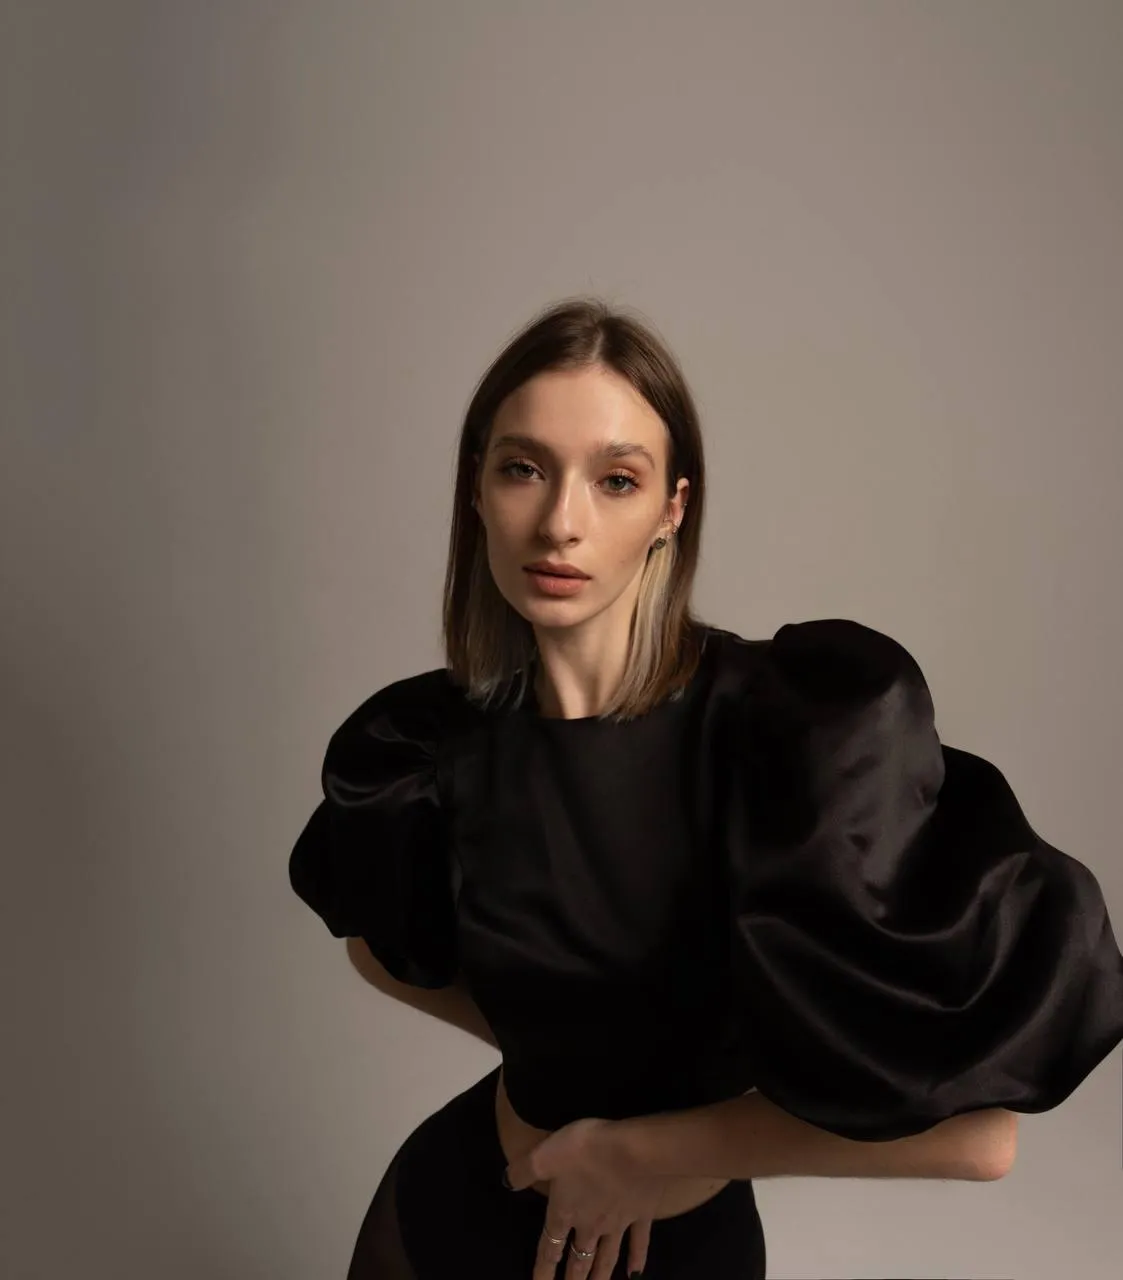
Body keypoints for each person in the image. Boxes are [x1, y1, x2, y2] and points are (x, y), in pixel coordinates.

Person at [289, 297, 1123, 1280]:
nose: (561, 520)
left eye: (615, 479)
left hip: (667, 1246)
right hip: (450, 1214)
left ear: (671, 508)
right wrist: (549, 1062)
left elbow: (978, 1137)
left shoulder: (787, 734)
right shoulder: (427, 742)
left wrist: (655, 1151)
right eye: (523, 467)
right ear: (476, 487)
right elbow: (375, 946)